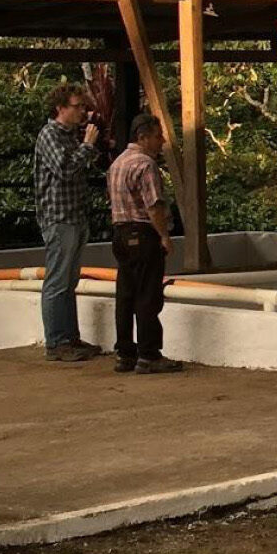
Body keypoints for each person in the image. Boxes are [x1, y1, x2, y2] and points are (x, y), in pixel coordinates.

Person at [107, 113, 184, 375]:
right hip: (142, 232)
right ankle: (149, 353)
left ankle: (125, 352)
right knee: (148, 295)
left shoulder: (117, 163)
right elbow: (154, 206)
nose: (161, 141)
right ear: (143, 137)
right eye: (157, 135)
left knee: (126, 294)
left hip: (120, 232)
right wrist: (163, 235)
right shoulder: (145, 165)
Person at [33, 81, 104, 363]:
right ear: (60, 108)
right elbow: (64, 168)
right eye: (77, 107)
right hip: (59, 217)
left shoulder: (70, 135)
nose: (82, 112)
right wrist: (88, 146)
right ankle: (56, 341)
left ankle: (69, 337)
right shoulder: (50, 135)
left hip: (75, 215)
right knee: (58, 281)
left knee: (69, 279)